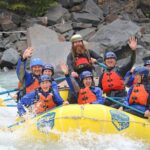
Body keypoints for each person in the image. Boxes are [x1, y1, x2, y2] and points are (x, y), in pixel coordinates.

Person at [98, 37, 137, 108]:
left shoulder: (120, 70)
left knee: (113, 107)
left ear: (115, 61)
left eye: (112, 59)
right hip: (109, 98)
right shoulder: (102, 75)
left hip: (121, 99)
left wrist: (133, 51)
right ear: (105, 61)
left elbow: (131, 62)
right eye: (108, 59)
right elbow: (99, 89)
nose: (110, 60)